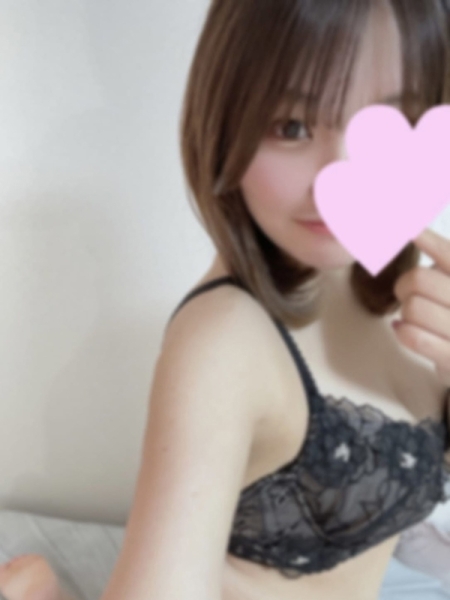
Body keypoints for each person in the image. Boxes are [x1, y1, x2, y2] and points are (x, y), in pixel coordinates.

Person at [2, 0, 450, 599]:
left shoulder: (394, 282)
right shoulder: (224, 342)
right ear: (224, 125)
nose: (339, 176)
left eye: (386, 119)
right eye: (292, 127)